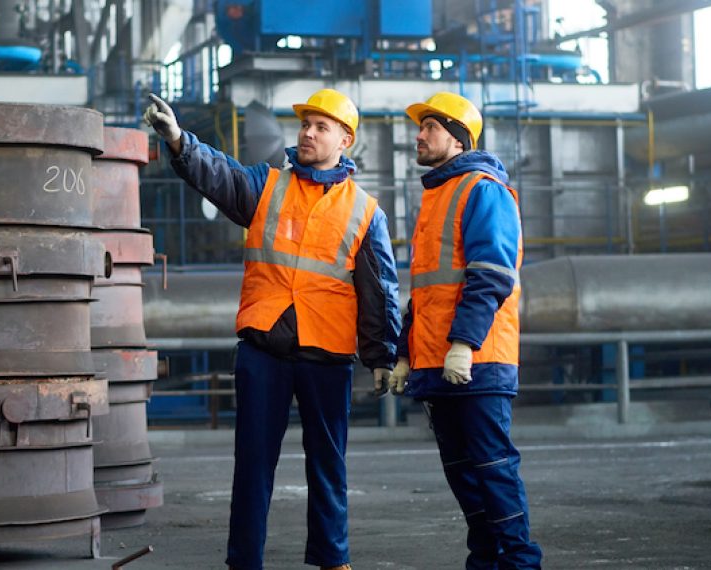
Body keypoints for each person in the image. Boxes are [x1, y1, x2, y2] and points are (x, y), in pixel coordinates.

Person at [144, 89, 401, 570]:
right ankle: (244, 562)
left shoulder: (366, 212)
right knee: (253, 467)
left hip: (326, 353)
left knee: (328, 466)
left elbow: (380, 289)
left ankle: (332, 558)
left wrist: (384, 354)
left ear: (345, 138)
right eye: (305, 124)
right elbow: (220, 175)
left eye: (320, 126)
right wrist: (180, 141)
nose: (307, 132)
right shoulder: (268, 185)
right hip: (264, 348)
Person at [384, 92, 543, 569]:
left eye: (429, 127)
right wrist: (406, 354)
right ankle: (486, 563)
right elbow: (427, 293)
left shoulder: (482, 188)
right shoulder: (436, 198)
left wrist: (462, 343)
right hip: (440, 361)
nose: (419, 135)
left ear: (457, 138)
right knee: (464, 478)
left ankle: (520, 564)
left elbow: (491, 274)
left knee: (492, 471)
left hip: (476, 359)